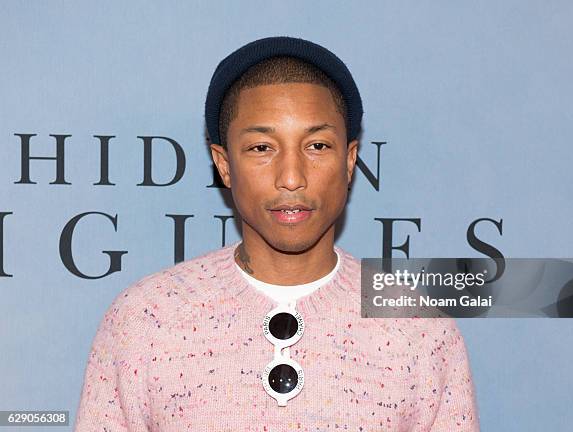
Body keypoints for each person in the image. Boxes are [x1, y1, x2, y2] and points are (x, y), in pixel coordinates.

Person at [74, 36, 480, 431]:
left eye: (317, 146)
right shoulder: (146, 319)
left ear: (350, 160)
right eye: (261, 148)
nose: (291, 178)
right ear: (224, 164)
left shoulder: (420, 327)